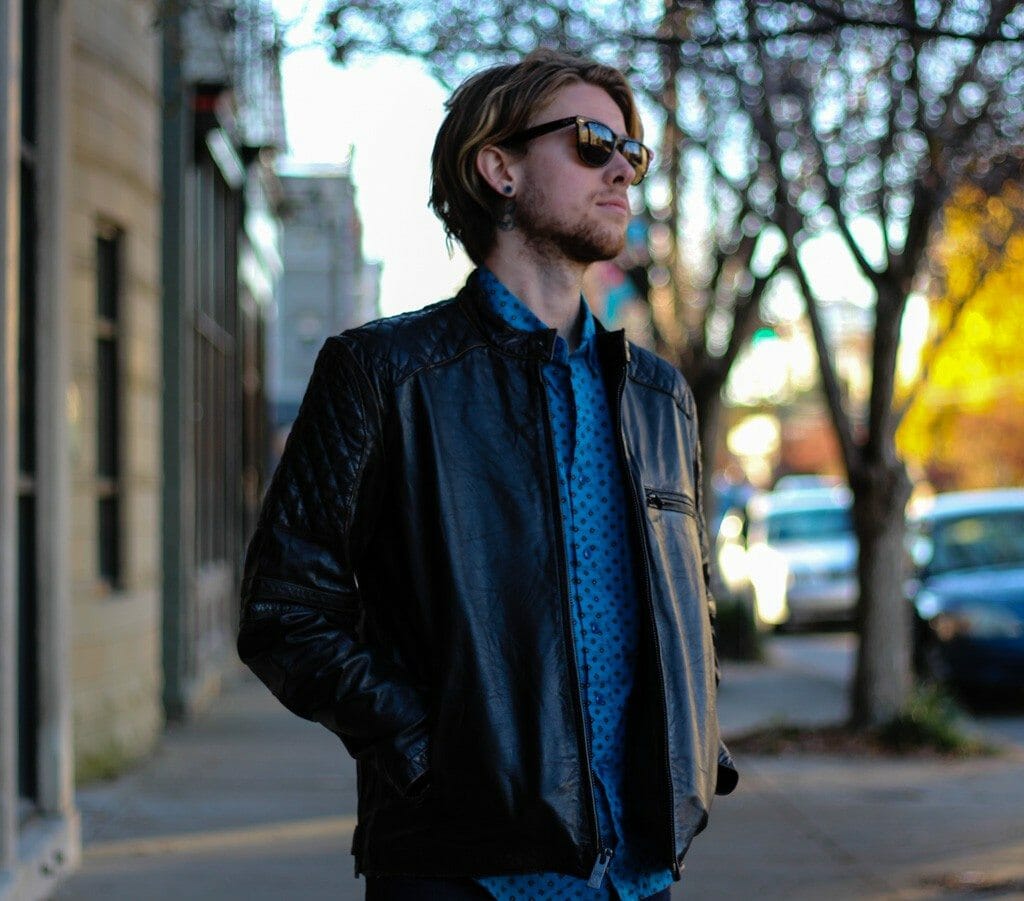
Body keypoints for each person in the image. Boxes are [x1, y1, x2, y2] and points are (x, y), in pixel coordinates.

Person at [238, 48, 738, 901]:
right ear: (498, 167)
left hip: (640, 872)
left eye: (633, 153)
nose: (622, 167)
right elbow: (286, 610)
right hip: (462, 869)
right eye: (590, 141)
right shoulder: (383, 373)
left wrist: (698, 748)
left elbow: (689, 597)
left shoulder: (659, 397)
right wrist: (432, 754)